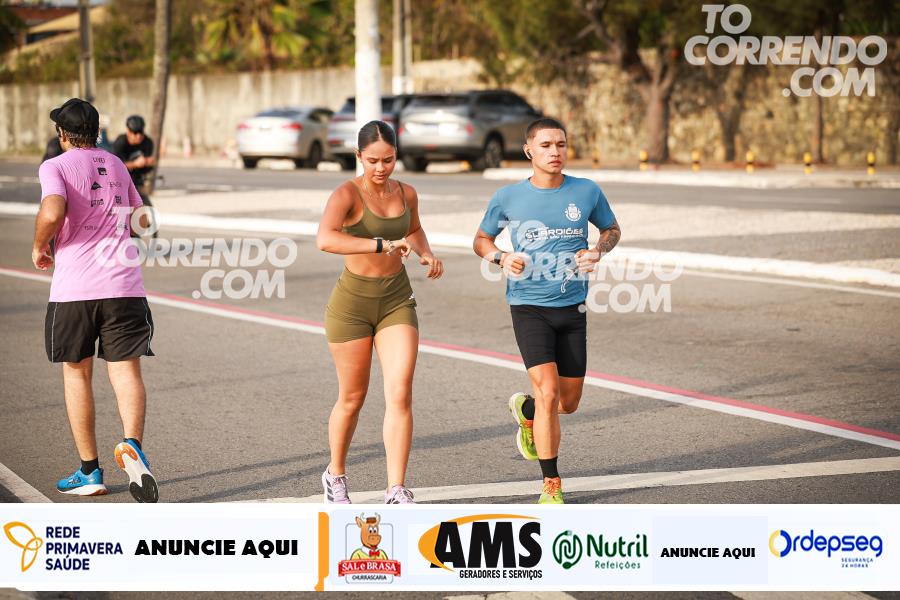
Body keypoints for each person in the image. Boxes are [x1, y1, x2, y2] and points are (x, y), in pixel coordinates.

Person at [472, 117, 621, 504]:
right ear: (529, 151)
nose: (555, 152)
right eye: (546, 145)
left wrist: (598, 250)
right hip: (528, 306)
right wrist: (501, 258)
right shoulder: (508, 197)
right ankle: (551, 484)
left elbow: (612, 230)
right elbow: (481, 239)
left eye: (561, 144)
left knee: (567, 403)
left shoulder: (586, 191)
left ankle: (527, 412)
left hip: (572, 308)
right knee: (549, 392)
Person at [34, 98, 159, 503]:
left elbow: (53, 210)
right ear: (96, 132)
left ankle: (89, 472)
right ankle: (132, 445)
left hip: (76, 289)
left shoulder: (54, 166)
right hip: (124, 286)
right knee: (126, 371)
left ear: (62, 134)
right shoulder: (117, 164)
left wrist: (40, 244)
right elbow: (142, 219)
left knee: (77, 373)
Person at [316, 120, 444, 504]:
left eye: (388, 160)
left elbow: (414, 228)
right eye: (372, 160)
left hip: (396, 301)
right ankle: (335, 475)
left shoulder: (407, 193)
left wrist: (426, 253)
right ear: (359, 156)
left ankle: (396, 488)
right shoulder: (346, 194)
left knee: (400, 391)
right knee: (353, 397)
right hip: (351, 307)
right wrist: (379, 244)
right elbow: (325, 239)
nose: (381, 168)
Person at [111, 115, 157, 238]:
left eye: (141, 132)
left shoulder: (147, 142)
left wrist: (148, 163)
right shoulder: (120, 143)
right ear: (128, 131)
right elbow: (114, 166)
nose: (138, 136)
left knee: (145, 207)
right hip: (120, 181)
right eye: (135, 133)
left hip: (136, 180)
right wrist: (134, 164)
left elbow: (148, 164)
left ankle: (142, 229)